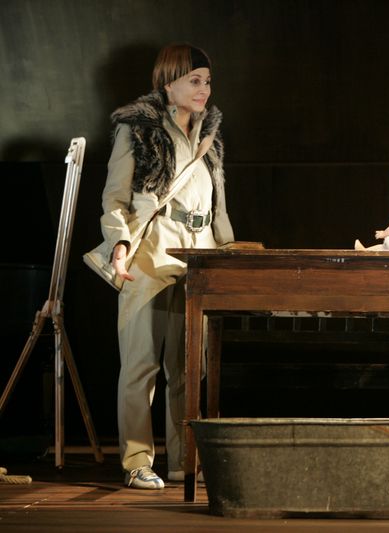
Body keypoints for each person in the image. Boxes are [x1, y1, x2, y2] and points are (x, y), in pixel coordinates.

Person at [97, 43, 234, 489]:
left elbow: (217, 207)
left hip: (199, 254)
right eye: (194, 80)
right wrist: (119, 244)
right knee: (141, 365)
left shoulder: (210, 134)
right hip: (152, 253)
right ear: (168, 83)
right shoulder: (139, 128)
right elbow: (115, 196)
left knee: (189, 366)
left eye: (207, 81)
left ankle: (184, 459)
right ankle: (137, 460)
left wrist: (227, 252)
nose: (204, 89)